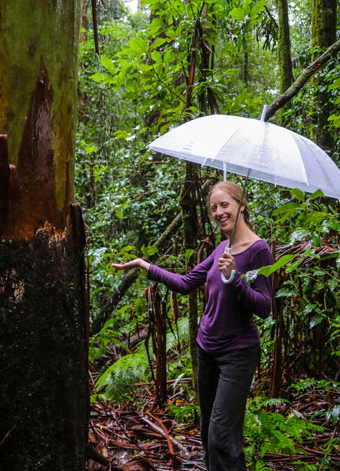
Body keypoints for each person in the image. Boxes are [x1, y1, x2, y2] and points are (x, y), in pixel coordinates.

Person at [111, 180, 274, 471]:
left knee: (221, 435)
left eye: (225, 204)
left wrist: (234, 277)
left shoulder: (258, 250)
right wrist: (143, 265)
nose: (218, 212)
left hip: (238, 354)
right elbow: (186, 283)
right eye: (214, 207)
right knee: (209, 433)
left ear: (242, 205)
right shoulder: (221, 248)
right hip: (206, 350)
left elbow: (264, 306)